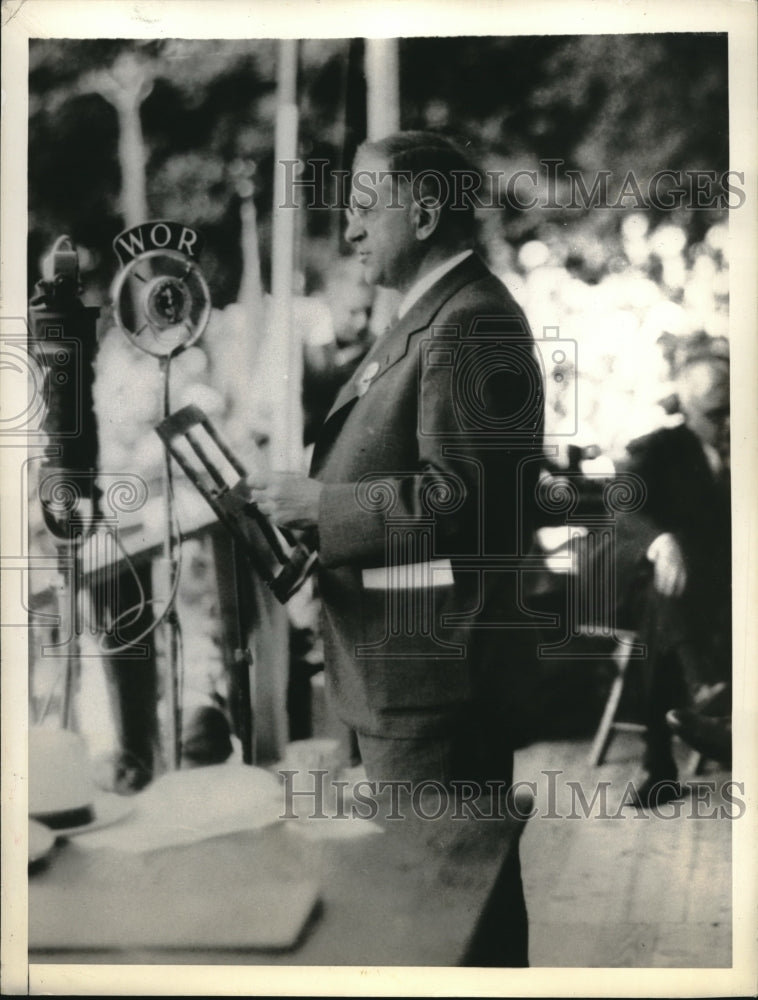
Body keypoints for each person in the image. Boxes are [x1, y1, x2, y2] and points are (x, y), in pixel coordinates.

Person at [248, 132, 545, 965]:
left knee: (439, 913)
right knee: (444, 905)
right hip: (402, 668)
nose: (349, 231)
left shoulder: (473, 321)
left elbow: (465, 500)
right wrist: (321, 531)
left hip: (432, 686)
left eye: (365, 208)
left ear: (425, 210)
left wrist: (326, 505)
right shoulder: (431, 314)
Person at [616, 355, 731, 807]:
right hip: (673, 588)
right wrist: (660, 540)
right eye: (714, 413)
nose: (726, 423)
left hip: (730, 589)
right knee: (664, 597)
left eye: (733, 410)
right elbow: (624, 504)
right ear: (686, 406)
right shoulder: (660, 448)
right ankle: (703, 695)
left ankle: (659, 762)